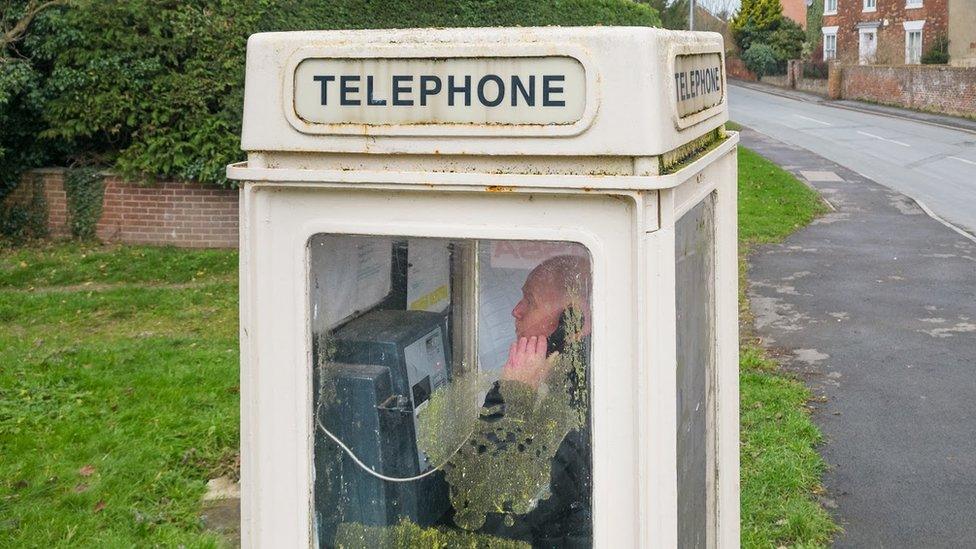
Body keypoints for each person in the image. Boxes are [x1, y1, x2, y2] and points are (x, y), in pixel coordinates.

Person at [471, 254, 593, 547]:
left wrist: (511, 397)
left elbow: (498, 518)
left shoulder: (576, 407)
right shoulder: (568, 376)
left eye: (531, 301)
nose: (516, 310)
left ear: (572, 321)